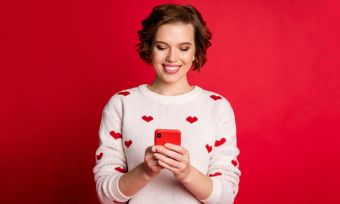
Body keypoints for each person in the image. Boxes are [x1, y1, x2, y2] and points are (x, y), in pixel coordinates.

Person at [93, 3, 241, 204]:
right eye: (162, 47)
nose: (172, 57)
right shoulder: (122, 104)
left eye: (184, 48)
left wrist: (186, 172)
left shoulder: (217, 106)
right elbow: (106, 195)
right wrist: (146, 170)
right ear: (150, 48)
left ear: (196, 51)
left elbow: (226, 197)